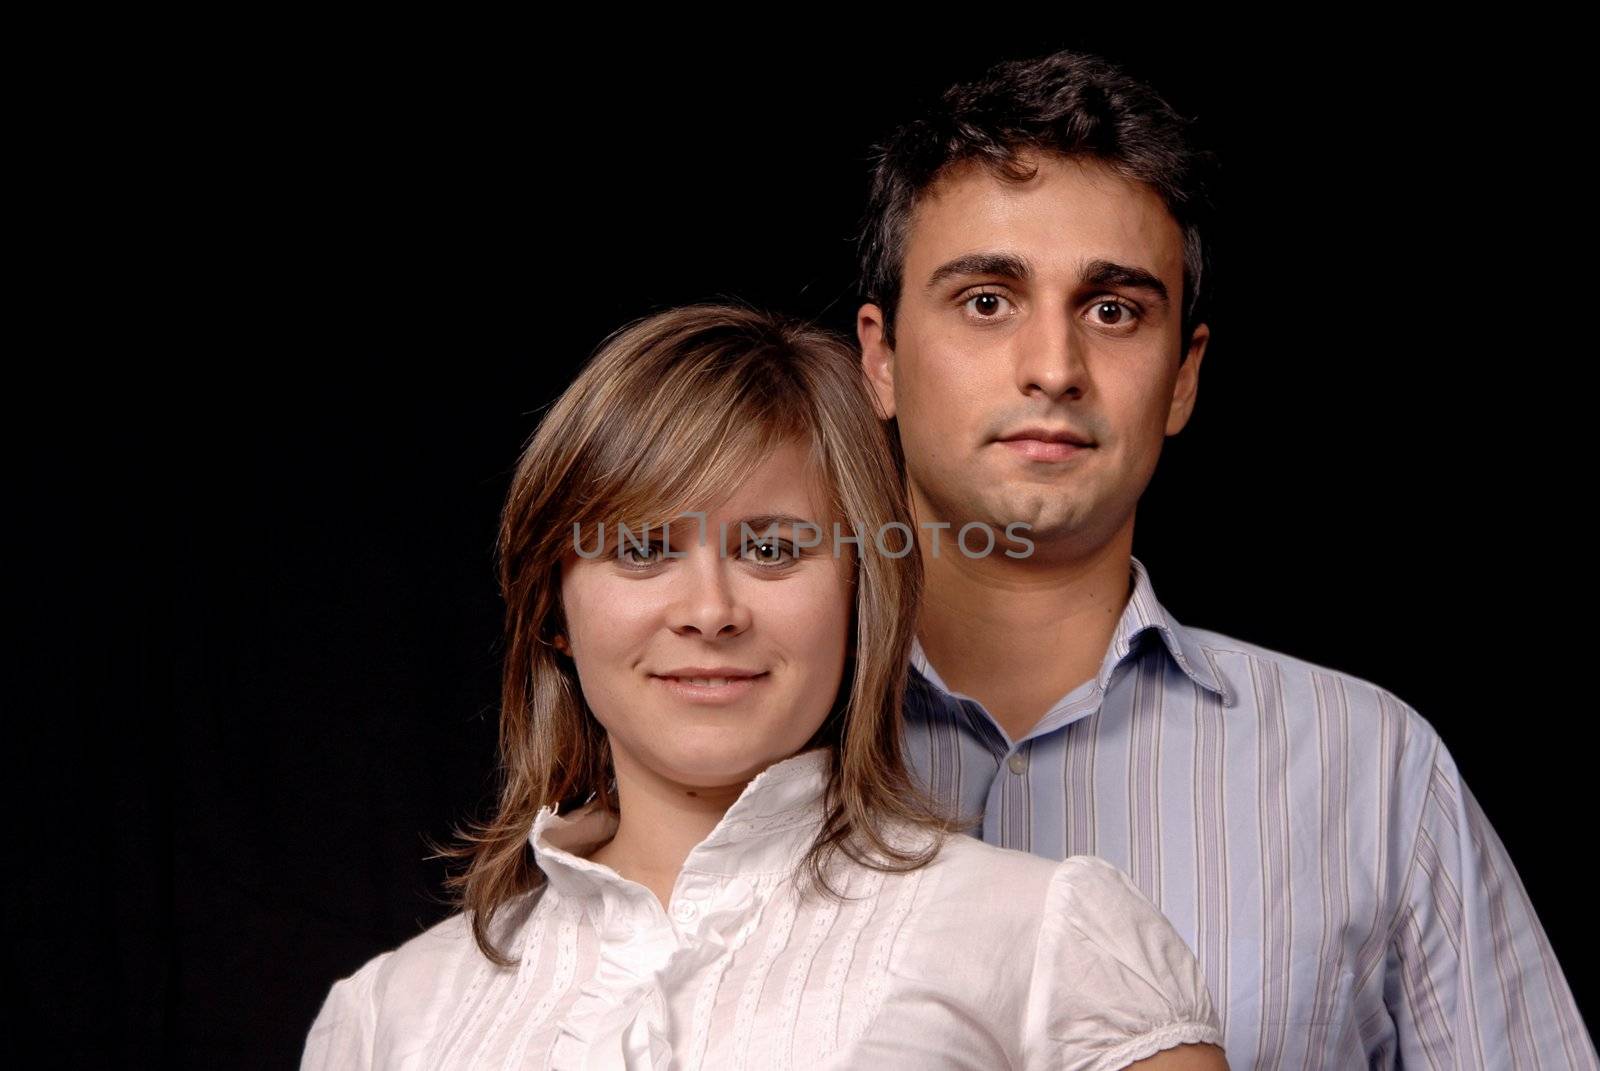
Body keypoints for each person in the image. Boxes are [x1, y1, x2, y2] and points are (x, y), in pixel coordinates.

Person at [853, 49, 1595, 1070]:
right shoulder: (728, 739)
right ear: (879, 358)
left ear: (1183, 377)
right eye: (987, 300)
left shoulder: (1369, 770)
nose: (1053, 368)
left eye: (1112, 310)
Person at [299, 305, 1229, 1069]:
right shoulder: (388, 1020)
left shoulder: (1047, 941)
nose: (710, 610)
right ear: (552, 608)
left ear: (862, 593)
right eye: (641, 549)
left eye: (774, 548)